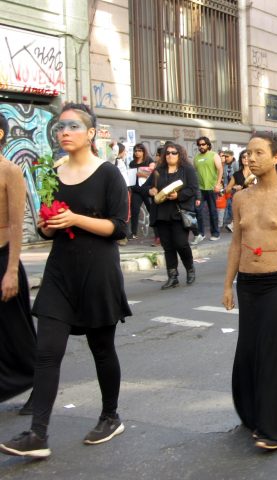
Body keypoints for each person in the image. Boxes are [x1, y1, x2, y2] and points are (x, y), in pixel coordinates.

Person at [0, 103, 131, 458]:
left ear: (91, 133)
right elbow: (49, 227)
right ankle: (37, 434)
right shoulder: (52, 173)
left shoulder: (108, 174)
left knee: (102, 349)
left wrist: (75, 219)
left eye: (73, 126)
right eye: (60, 127)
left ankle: (110, 416)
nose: (64, 132)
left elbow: (120, 228)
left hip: (98, 272)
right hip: (60, 272)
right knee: (47, 352)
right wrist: (48, 225)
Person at [222, 130, 277, 451]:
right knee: (248, 353)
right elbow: (235, 244)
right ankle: (262, 414)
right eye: (248, 153)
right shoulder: (240, 198)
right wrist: (228, 284)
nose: (251, 158)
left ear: (276, 158)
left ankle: (271, 430)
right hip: (248, 284)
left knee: (271, 355)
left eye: (259, 152)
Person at [0, 112, 36, 411]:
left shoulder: (9, 171)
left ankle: (38, 383)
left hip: (3, 261)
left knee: (17, 333)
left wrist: (12, 270)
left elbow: (15, 224)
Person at [148, 142, 200, 289]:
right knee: (168, 247)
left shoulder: (187, 170)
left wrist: (179, 195)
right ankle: (172, 276)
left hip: (179, 212)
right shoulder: (158, 170)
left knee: (181, 243)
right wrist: (150, 190)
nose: (170, 155)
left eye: (173, 153)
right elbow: (147, 187)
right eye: (167, 153)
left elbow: (193, 189)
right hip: (161, 214)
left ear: (180, 154)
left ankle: (190, 269)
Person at [192, 136, 223, 243]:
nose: (201, 146)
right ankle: (201, 233)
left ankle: (215, 233)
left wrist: (218, 184)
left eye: (203, 144)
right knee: (197, 210)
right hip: (200, 189)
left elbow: (220, 169)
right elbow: (195, 172)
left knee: (212, 211)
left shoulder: (214, 155)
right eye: (199, 145)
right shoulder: (196, 158)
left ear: (208, 145)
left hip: (212, 188)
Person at [128, 143, 155, 239]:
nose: (137, 152)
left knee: (152, 210)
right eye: (135, 151)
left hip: (146, 189)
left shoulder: (149, 160)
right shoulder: (132, 163)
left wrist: (141, 171)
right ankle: (133, 233)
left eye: (139, 150)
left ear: (143, 151)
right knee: (134, 211)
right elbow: (131, 176)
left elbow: (152, 169)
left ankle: (158, 234)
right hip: (136, 190)